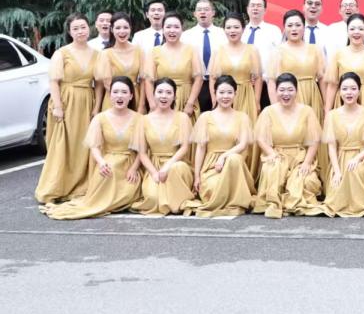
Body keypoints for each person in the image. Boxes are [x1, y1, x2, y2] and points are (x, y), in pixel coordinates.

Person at [42, 77, 142, 220]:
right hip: (107, 163)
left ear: (131, 96)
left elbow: (143, 150)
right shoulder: (100, 118)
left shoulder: (139, 119)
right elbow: (94, 146)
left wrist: (134, 168)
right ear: (110, 95)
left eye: (124, 92)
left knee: (127, 195)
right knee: (107, 177)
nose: (119, 96)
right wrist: (101, 162)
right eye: (115, 92)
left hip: (129, 165)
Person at [35, 14, 103, 203]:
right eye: (76, 28)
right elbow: (54, 82)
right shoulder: (62, 53)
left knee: (83, 145)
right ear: (70, 32)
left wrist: (97, 106)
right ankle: (57, 186)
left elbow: (98, 83)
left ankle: (81, 184)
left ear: (89, 28)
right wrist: (58, 107)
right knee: (63, 145)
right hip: (66, 100)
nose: (80, 31)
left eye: (83, 27)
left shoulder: (97, 54)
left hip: (86, 101)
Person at [183, 75, 256, 218]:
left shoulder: (242, 117)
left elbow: (242, 144)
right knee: (213, 189)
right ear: (215, 94)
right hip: (211, 166)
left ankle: (236, 200)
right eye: (221, 92)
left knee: (234, 158)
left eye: (229, 92)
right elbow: (201, 149)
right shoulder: (206, 117)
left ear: (235, 94)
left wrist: (224, 157)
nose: (225, 96)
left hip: (234, 166)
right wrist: (197, 176)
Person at [253, 73, 323, 218]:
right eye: (282, 90)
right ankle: (276, 201)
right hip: (277, 156)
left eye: (290, 90)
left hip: (300, 157)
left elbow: (315, 140)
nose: (286, 94)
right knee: (272, 172)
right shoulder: (268, 111)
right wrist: (271, 153)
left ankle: (292, 200)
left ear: (296, 91)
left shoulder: (307, 111)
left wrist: (307, 162)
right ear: (276, 91)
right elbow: (260, 138)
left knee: (308, 181)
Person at [321, 73, 364, 217]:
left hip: (363, 159)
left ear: (359, 91)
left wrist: (357, 159)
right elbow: (332, 147)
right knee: (336, 193)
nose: (349, 92)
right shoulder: (332, 115)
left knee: (354, 171)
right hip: (340, 160)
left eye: (353, 89)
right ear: (339, 92)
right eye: (345, 89)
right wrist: (336, 171)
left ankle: (360, 204)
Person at [131, 78, 194, 216]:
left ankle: (178, 201)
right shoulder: (144, 120)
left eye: (168, 93)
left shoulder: (183, 117)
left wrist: (167, 167)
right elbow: (142, 153)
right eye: (160, 92)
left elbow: (184, 148)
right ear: (153, 94)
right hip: (154, 165)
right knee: (153, 199)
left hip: (177, 164)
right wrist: (154, 172)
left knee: (178, 168)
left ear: (174, 96)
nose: (164, 96)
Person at [323, 13, 364, 118]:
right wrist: (327, 110)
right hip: (344, 102)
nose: (356, 32)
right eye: (352, 29)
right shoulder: (338, 54)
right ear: (347, 32)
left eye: (361, 29)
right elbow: (332, 85)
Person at [267, 9, 326, 122]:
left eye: (298, 25)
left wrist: (326, 104)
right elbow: (272, 82)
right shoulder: (277, 51)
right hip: (288, 98)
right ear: (284, 28)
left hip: (312, 98)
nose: (294, 29)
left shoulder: (315, 50)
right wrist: (275, 107)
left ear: (304, 27)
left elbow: (322, 79)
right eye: (290, 25)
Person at [143, 13, 202, 120]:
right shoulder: (154, 51)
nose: (172, 30)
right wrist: (152, 104)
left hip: (186, 98)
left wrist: (190, 103)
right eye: (168, 27)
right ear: (163, 29)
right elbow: (148, 81)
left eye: (176, 27)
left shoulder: (191, 50)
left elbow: (198, 78)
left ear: (182, 29)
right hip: (162, 99)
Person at [207, 12, 262, 125]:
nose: (232, 31)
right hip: (225, 96)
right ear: (224, 30)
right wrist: (214, 99)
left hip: (246, 96)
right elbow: (212, 78)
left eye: (236, 27)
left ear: (243, 29)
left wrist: (256, 101)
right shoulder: (218, 50)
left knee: (246, 127)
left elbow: (258, 78)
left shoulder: (252, 50)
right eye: (228, 27)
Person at [181, 0, 228, 112]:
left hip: (219, 83)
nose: (203, 12)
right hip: (195, 84)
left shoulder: (223, 34)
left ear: (213, 13)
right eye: (199, 10)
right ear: (195, 14)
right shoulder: (186, 36)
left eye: (206, 9)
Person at [96, 12, 145, 112]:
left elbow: (144, 80)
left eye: (125, 28)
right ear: (111, 30)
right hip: (113, 99)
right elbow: (106, 83)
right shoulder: (105, 54)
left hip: (134, 98)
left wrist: (141, 105)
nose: (122, 31)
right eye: (118, 28)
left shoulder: (139, 51)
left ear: (130, 29)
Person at [244, 0, 283, 108]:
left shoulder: (273, 30)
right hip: (244, 84)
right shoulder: (241, 30)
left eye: (259, 5)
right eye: (252, 5)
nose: (255, 8)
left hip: (267, 84)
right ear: (247, 9)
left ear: (265, 10)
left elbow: (279, 57)